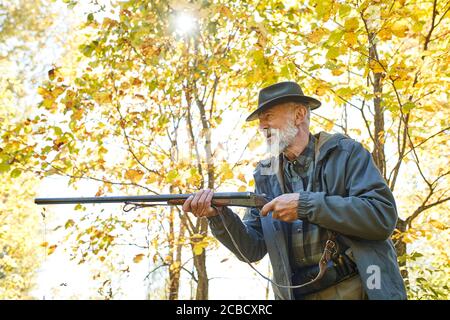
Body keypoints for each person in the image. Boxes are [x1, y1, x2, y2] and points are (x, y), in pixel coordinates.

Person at [182, 81, 407, 300]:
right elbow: (252, 249)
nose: (261, 126)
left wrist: (305, 205)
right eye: (260, 120)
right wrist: (219, 217)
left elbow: (382, 216)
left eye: (268, 116)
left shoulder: (346, 153)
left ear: (299, 115)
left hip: (356, 288)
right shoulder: (265, 175)